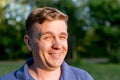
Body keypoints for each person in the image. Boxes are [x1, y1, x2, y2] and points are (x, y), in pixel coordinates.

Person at [0, 7, 94, 80]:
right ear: (29, 43)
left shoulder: (83, 78)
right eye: (48, 37)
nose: (57, 45)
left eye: (62, 37)